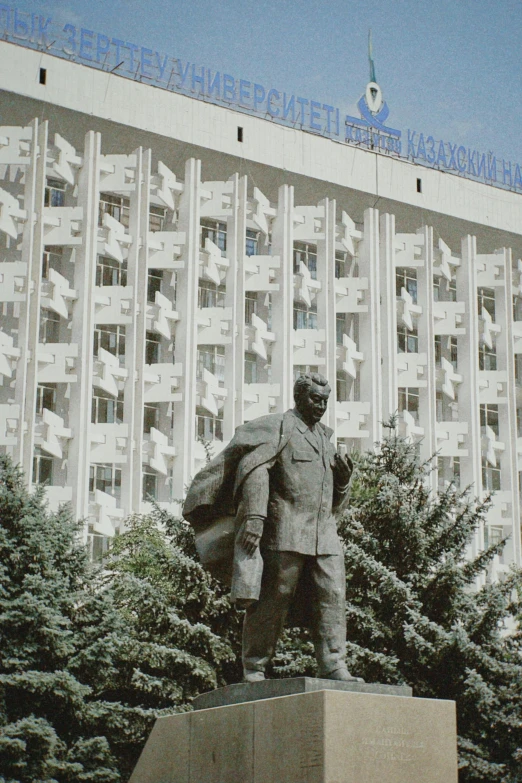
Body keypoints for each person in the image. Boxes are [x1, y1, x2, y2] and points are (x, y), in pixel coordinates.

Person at [183, 372, 361, 684]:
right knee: (274, 597)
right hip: (285, 529)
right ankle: (254, 665)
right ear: (298, 397)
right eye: (314, 399)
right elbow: (255, 471)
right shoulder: (280, 428)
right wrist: (254, 518)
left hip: (325, 535)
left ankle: (333, 663)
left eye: (325, 401)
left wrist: (344, 480)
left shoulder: (325, 440)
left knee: (332, 595)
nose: (320, 406)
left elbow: (334, 503)